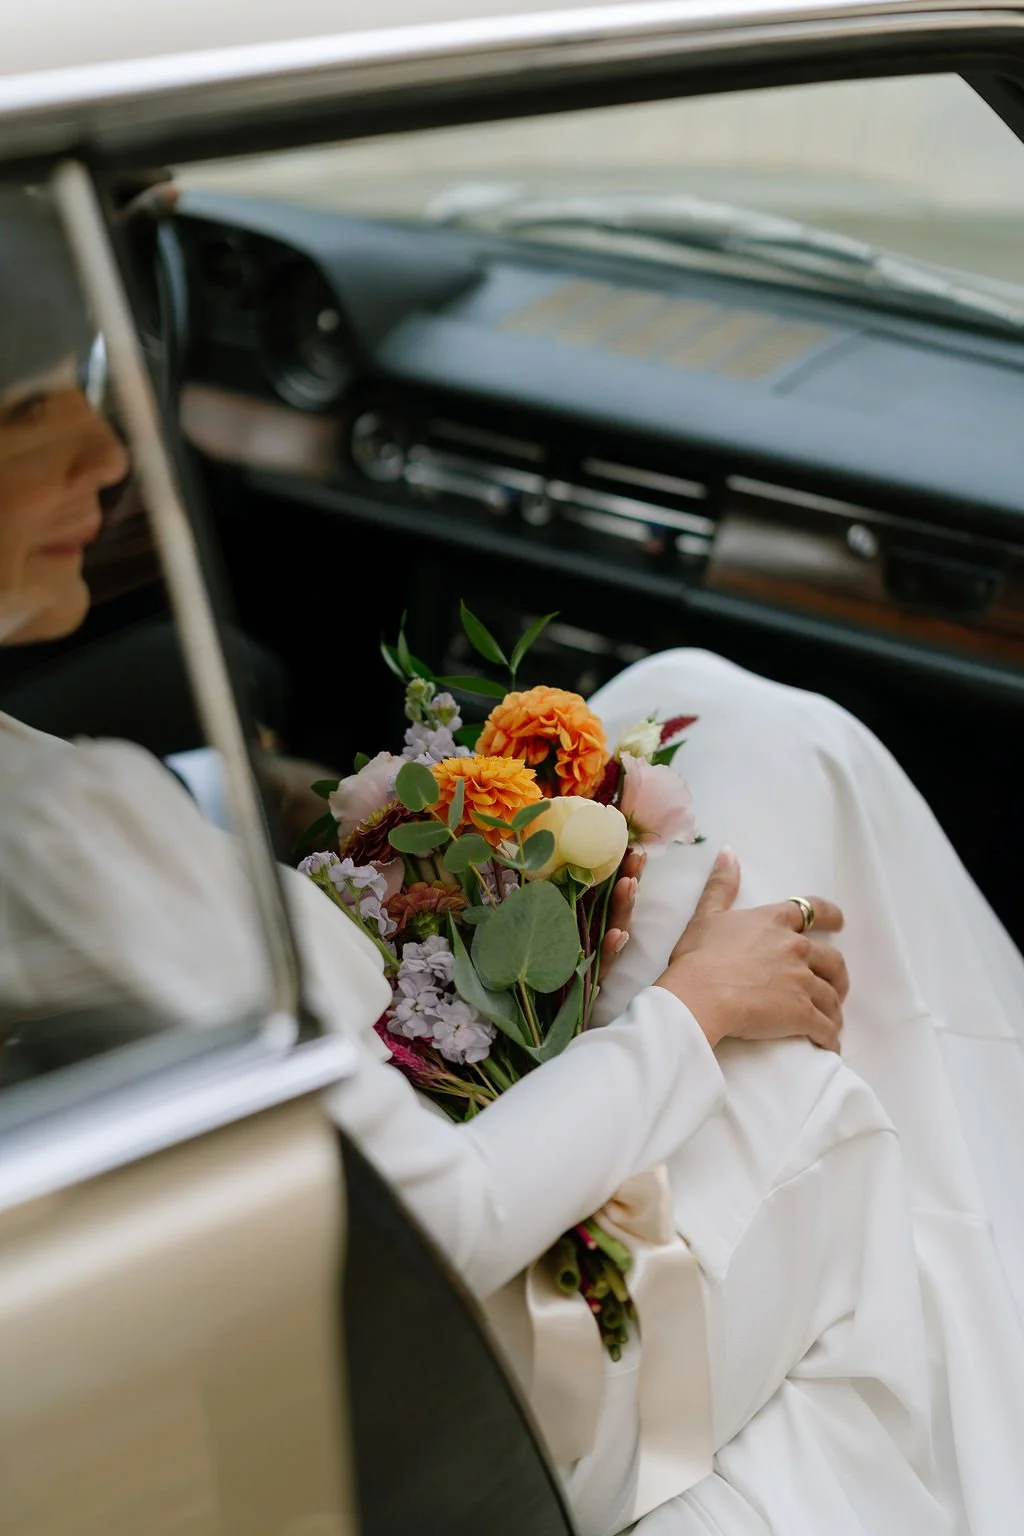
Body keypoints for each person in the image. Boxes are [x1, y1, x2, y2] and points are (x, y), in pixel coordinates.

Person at [3, 187, 1024, 1536]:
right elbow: (447, 1223)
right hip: (518, 1378)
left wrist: (297, 823)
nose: (108, 448)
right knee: (802, 804)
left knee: (700, 708)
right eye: (21, 412)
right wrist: (694, 1012)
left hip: (264, 1331)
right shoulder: (58, 833)